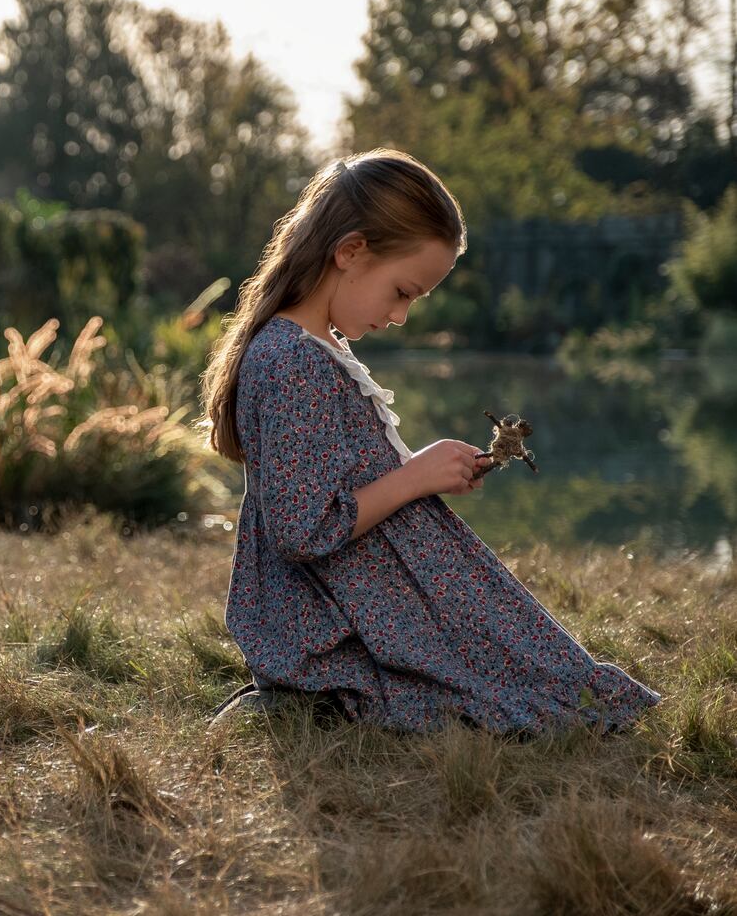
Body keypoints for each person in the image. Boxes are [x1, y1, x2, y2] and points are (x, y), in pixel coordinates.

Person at [197, 148, 663, 736]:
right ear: (350, 252)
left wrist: (425, 470)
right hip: (327, 624)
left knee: (536, 677)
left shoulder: (320, 348)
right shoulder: (292, 361)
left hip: (364, 597)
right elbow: (301, 528)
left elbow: (345, 484)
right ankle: (308, 697)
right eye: (402, 292)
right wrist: (413, 478)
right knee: (511, 700)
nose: (402, 316)